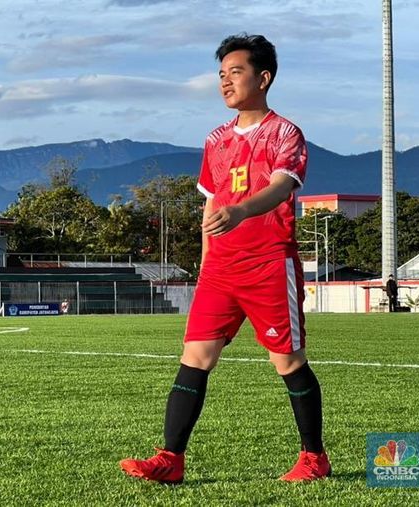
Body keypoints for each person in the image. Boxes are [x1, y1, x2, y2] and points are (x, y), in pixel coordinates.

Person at [120, 34, 330, 484]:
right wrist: (206, 263)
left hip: (268, 263)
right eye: (221, 74)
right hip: (220, 269)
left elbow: (281, 187)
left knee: (287, 361)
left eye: (235, 72)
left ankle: (314, 458)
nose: (225, 82)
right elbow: (211, 205)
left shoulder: (285, 133)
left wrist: (242, 211)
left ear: (263, 78)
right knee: (195, 356)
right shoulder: (216, 139)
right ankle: (170, 459)